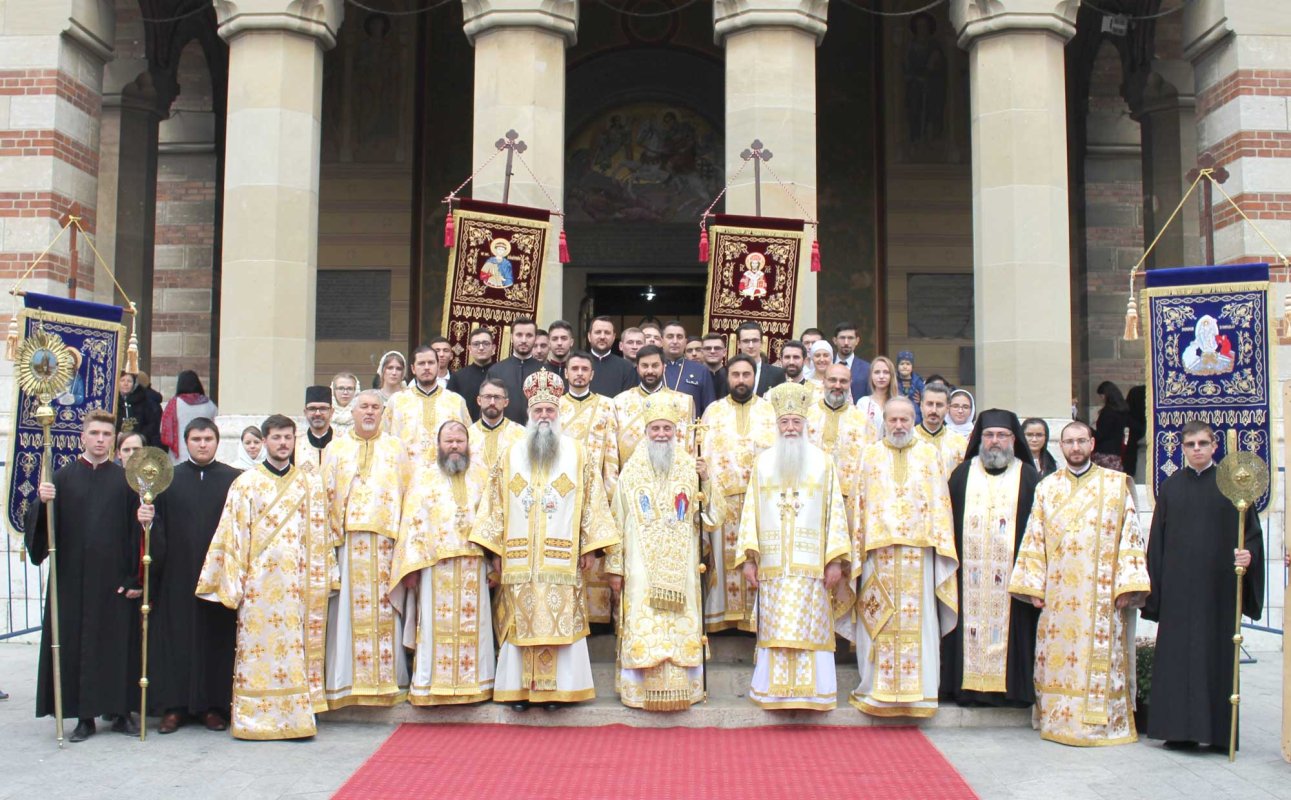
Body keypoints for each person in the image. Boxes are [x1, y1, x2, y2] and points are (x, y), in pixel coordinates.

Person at [469, 370, 619, 709]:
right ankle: (519, 691)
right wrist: (495, 551)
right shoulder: (510, 454)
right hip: (519, 559)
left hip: (561, 559)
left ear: (559, 412)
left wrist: (590, 548)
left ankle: (558, 692)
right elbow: (494, 504)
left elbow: (593, 501)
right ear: (529, 413)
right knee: (519, 622)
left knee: (559, 621)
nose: (544, 417)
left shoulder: (577, 454)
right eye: (538, 411)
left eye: (550, 410)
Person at [1007, 420, 1150, 746]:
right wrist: (1034, 587)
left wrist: (1127, 585)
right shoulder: (1046, 487)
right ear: (1061, 445)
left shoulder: (1116, 485)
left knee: (1099, 658)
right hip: (1058, 595)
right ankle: (1058, 722)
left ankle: (1100, 725)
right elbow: (1035, 537)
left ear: (1092, 443)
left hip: (1101, 595)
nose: (1075, 447)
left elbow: (1131, 536)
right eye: (1069, 442)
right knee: (1059, 659)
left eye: (1081, 441)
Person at [196, 414, 337, 740]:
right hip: (257, 586)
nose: (283, 443)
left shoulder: (308, 484)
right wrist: (234, 582)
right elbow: (232, 536)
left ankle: (295, 719)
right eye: (276, 437)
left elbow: (319, 534)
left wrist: (322, 576)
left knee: (292, 650)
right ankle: (251, 720)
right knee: (257, 652)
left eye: (288, 437)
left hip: (295, 583)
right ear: (264, 442)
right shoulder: (246, 483)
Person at [1144, 420, 1265, 752]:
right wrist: (1154, 592)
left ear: (1215, 446)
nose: (1196, 449)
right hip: (1179, 590)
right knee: (1177, 659)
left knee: (1215, 657)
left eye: (1202, 443)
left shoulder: (1233, 487)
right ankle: (1177, 731)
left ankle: (1217, 734)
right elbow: (1158, 542)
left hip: (1219, 591)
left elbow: (1251, 535)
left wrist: (1248, 556)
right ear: (1182, 450)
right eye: (1190, 445)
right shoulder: (1169, 488)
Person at [25, 410, 143, 741]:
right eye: (95, 433)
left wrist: (134, 577)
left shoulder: (125, 481)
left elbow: (137, 533)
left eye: (107, 434)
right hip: (72, 580)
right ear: (83, 437)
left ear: (114, 441)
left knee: (117, 646)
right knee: (78, 647)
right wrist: (42, 503)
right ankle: (84, 717)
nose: (101, 440)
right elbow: (43, 534)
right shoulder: (62, 479)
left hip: (113, 580)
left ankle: (120, 713)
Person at [736, 382, 850, 710]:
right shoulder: (763, 463)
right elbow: (750, 514)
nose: (790, 428)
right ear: (777, 425)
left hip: (811, 567)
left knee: (810, 627)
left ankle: (813, 694)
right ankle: (774, 692)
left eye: (795, 423)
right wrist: (748, 559)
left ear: (805, 425)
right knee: (775, 628)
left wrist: (834, 562)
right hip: (773, 567)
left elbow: (835, 514)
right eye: (784, 422)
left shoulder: (823, 463)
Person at [847, 396, 957, 718]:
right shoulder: (869, 455)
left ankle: (921, 692)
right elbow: (858, 504)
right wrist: (856, 552)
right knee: (875, 619)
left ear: (914, 420)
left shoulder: (928, 455)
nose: (898, 426)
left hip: (918, 555)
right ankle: (874, 689)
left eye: (905, 420)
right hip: (876, 555)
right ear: (885, 420)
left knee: (920, 622)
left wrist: (941, 551)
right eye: (893, 420)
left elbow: (940, 505)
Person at [605, 399, 717, 710]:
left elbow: (713, 517)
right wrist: (615, 567)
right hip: (639, 565)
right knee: (643, 623)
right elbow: (617, 519)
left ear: (676, 431)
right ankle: (639, 691)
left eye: (667, 428)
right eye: (655, 428)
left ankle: (685, 688)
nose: (661, 434)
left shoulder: (689, 466)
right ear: (646, 431)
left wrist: (707, 479)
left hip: (681, 567)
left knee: (681, 626)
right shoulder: (631, 471)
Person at [140, 418, 241, 734]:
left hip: (218, 577)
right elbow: (157, 528)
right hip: (177, 575)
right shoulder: (168, 479)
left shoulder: (234, 480)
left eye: (208, 438)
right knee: (176, 640)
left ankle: (213, 706)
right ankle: (175, 707)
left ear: (217, 441)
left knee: (215, 640)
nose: (202, 444)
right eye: (196, 438)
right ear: (186, 442)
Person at [390, 420, 496, 706]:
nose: (454, 446)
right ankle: (431, 686)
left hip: (474, 565)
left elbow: (493, 520)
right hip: (435, 566)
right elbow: (412, 523)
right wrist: (410, 569)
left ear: (467, 444)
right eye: (448, 441)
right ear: (438, 445)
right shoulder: (424, 477)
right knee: (436, 630)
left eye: (459, 441)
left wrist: (495, 562)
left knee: (476, 628)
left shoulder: (482, 476)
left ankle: (477, 685)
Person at [941, 409, 1041, 708]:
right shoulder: (961, 475)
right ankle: (965, 689)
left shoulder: (1029, 477)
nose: (994, 442)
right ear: (978, 439)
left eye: (1001, 435)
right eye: (988, 435)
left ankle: (1010, 690)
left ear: (1013, 439)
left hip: (1011, 580)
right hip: (967, 579)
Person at [320, 390, 411, 708]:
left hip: (386, 543)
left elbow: (406, 493)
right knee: (346, 614)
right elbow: (326, 496)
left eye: (375, 407)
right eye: (364, 407)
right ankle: (346, 683)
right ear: (352, 412)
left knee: (385, 613)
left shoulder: (396, 448)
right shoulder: (336, 449)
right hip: (348, 543)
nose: (369, 412)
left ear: (383, 412)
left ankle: (386, 682)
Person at [698, 355, 776, 632]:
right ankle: (723, 619)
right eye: (735, 375)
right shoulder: (713, 412)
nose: (741, 380)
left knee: (759, 558)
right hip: (723, 502)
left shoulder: (770, 411)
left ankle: (755, 620)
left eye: (746, 374)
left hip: (760, 503)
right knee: (723, 561)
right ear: (727, 377)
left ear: (754, 377)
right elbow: (702, 457)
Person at [559, 351, 621, 627]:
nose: (580, 373)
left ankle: (596, 620)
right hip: (562, 494)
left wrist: (611, 493)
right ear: (566, 373)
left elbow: (612, 451)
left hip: (597, 492)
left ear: (592, 374)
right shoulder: (555, 406)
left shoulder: (607, 406)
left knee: (596, 550)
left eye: (585, 368)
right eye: (575, 368)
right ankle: (568, 614)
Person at [806, 363, 878, 532]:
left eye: (843, 381)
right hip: (811, 499)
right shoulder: (806, 417)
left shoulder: (864, 422)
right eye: (832, 380)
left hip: (848, 503)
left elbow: (871, 465)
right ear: (823, 381)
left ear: (850, 383)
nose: (837, 386)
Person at [384, 344, 470, 467]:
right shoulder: (396, 401)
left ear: (437, 365)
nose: (426, 367)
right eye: (421, 363)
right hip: (407, 476)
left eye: (431, 363)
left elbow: (468, 440)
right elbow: (384, 440)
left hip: (446, 475)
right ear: (413, 369)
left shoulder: (456, 401)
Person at [614, 345, 695, 465]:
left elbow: (690, 448)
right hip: (631, 478)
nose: (650, 371)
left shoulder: (683, 402)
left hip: (673, 478)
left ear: (664, 367)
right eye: (645, 366)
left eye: (655, 366)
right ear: (637, 368)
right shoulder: (620, 402)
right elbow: (612, 450)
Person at [485, 317, 543, 424]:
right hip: (505, 434)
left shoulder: (544, 372)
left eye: (529, 335)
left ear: (535, 338)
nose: (524, 340)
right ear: (512, 337)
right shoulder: (496, 371)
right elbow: (487, 406)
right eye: (519, 335)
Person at [160, 370, 217, 464]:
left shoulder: (174, 404)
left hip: (179, 454)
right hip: (205, 450)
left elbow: (163, 429)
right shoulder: (209, 404)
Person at [468, 378, 525, 472]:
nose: (492, 402)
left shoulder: (521, 434)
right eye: (487, 396)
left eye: (497, 397)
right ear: (479, 400)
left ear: (506, 402)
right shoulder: (468, 436)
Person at [661, 320, 716, 417]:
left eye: (679, 337)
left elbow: (710, 410)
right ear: (662, 341)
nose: (675, 341)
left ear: (685, 342)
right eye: (670, 337)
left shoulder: (700, 370)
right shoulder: (652, 368)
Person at [914, 381, 968, 476]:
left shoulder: (960, 443)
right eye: (929, 404)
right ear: (921, 406)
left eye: (939, 405)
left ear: (947, 408)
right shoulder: (909, 438)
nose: (934, 410)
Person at [447, 327, 497, 421]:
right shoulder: (458, 377)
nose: (481, 348)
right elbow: (450, 409)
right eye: (476, 344)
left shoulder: (502, 374)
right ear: (469, 349)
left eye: (485, 343)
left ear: (493, 348)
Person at [586, 316, 637, 397]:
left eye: (607, 333)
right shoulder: (578, 365)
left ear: (613, 337)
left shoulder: (626, 367)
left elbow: (629, 401)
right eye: (598, 332)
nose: (602, 337)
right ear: (589, 336)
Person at [736, 321, 785, 396]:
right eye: (746, 341)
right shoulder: (729, 373)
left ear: (761, 342)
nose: (751, 346)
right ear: (739, 344)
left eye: (755, 340)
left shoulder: (777, 374)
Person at [1093, 380, 1131, 473]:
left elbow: (1102, 434)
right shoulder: (1123, 411)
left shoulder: (1108, 412)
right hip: (1116, 452)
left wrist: (1088, 430)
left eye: (1102, 396)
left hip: (1104, 452)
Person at [295, 385, 335, 473]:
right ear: (305, 412)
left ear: (331, 412)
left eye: (323, 408)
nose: (317, 413)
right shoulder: (295, 443)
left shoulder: (344, 442)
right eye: (312, 409)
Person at [854, 355, 895, 437]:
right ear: (871, 376)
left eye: (886, 372)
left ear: (891, 376)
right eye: (877, 372)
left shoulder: (899, 403)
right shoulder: (863, 403)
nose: (881, 376)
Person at [116, 370, 159, 445]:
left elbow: (152, 424)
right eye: (122, 380)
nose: (125, 384)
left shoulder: (144, 400)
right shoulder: (112, 401)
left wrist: (140, 436)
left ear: (134, 384)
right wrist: (116, 434)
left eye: (129, 381)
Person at [832, 321, 870, 401]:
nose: (846, 343)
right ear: (835, 340)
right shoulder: (828, 365)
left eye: (850, 338)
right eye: (842, 338)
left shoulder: (867, 369)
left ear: (857, 341)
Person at [894, 350, 925, 421]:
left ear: (912, 367)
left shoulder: (918, 381)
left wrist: (921, 400)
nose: (905, 366)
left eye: (908, 364)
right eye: (902, 364)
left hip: (915, 412)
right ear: (897, 366)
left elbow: (925, 395)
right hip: (898, 410)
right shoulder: (893, 381)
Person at [700, 332, 729, 400]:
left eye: (717, 348)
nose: (712, 351)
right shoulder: (695, 375)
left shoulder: (731, 375)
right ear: (702, 352)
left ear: (724, 352)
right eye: (708, 348)